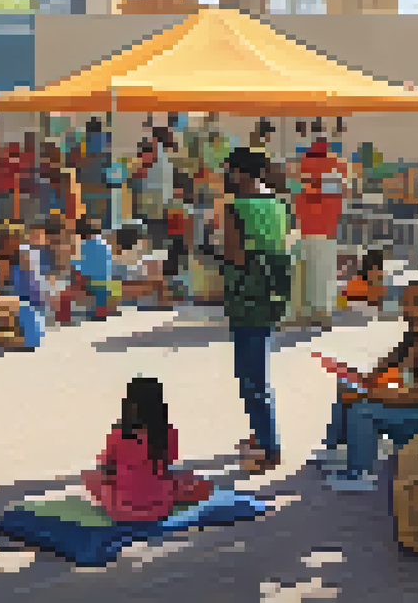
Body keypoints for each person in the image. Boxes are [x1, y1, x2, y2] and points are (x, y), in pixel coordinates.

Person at [319, 277, 418, 491]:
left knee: (363, 410)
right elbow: (379, 370)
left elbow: (413, 397)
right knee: (348, 389)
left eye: (416, 302)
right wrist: (357, 381)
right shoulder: (414, 340)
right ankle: (338, 452)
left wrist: (366, 393)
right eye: (405, 302)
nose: (407, 309)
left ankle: (359, 474)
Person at [222, 147, 293, 475]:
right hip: (272, 292)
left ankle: (268, 446)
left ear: (239, 173)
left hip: (246, 294)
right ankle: (260, 434)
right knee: (257, 367)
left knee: (250, 375)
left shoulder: (236, 207)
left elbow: (234, 256)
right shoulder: (279, 204)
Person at [81, 377, 213, 522]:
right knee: (191, 480)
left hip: (119, 509)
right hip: (159, 507)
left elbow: (107, 467)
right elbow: (168, 464)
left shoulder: (118, 434)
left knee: (89, 476)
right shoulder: (168, 433)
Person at [292, 139, 346, 329]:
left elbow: (298, 193)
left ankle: (310, 313)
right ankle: (321, 313)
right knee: (322, 274)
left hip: (309, 229)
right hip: (324, 230)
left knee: (310, 273)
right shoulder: (335, 166)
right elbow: (338, 195)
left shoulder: (303, 166)